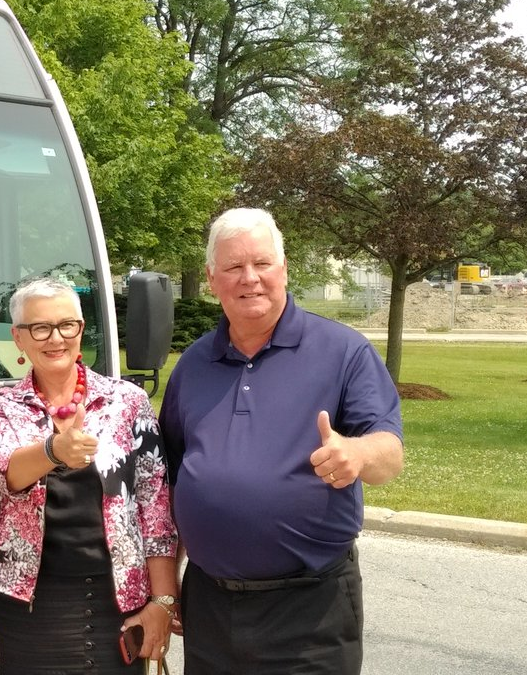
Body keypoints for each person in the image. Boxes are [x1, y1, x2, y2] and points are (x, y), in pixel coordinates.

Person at [159, 207, 405, 674]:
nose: (249, 278)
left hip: (310, 611)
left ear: (284, 269)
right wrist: (166, 587)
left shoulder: (343, 351)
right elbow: (170, 483)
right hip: (210, 604)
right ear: (212, 279)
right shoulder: (193, 365)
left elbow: (389, 453)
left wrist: (355, 453)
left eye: (262, 264)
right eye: (233, 267)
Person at [0, 277, 179, 673]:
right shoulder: (1, 405)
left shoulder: (127, 402)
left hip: (117, 599)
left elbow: (155, 510)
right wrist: (54, 451)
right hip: (32, 603)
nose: (55, 338)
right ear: (18, 338)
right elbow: (2, 473)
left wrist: (163, 602)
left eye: (66, 325)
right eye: (40, 328)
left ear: (81, 330)